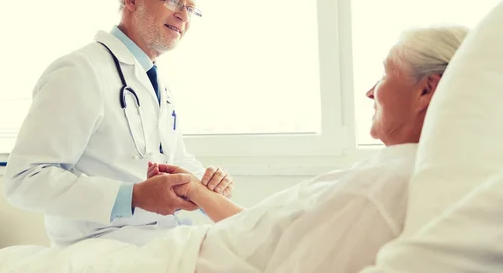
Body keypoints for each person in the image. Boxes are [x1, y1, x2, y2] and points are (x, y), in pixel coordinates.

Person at [150, 26, 469, 272]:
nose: (371, 91)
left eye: (386, 73)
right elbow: (269, 236)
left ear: (427, 90)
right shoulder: (397, 170)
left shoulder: (380, 187)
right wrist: (198, 192)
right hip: (187, 249)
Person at [3, 0, 234, 247]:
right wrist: (134, 196)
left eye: (190, 8)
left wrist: (205, 183)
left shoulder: (155, 82)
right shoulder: (80, 70)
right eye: (174, 1)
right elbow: (24, 180)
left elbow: (172, 158)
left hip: (165, 240)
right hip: (104, 246)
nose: (183, 17)